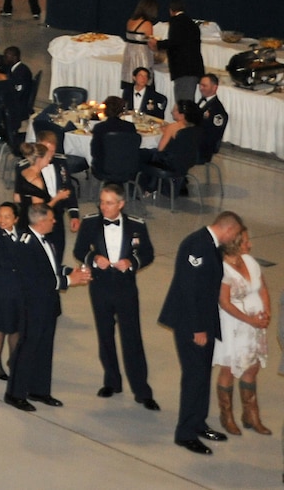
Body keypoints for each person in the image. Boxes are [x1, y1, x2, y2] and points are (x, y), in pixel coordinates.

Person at [161, 211, 244, 453]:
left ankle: (198, 422)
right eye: (236, 235)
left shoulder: (212, 245)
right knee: (194, 377)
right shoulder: (196, 244)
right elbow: (189, 289)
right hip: (190, 324)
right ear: (228, 230)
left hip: (205, 322)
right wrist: (197, 327)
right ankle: (185, 433)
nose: (235, 239)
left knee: (203, 375)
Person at [73, 183, 157, 409]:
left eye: (109, 203)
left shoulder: (137, 225)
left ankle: (142, 390)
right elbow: (79, 250)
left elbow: (148, 253)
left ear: (121, 204)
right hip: (100, 286)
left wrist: (131, 262)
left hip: (125, 287)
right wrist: (93, 258)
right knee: (105, 334)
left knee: (132, 337)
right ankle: (111, 381)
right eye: (101, 202)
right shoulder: (90, 222)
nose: (103, 207)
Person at [4, 204, 92, 411]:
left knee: (45, 347)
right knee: (27, 348)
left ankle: (39, 389)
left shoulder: (46, 241)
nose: (54, 221)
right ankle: (15, 393)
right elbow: (35, 280)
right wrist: (69, 281)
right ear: (41, 221)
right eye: (52, 218)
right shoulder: (25, 245)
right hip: (32, 305)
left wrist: (71, 272)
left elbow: (52, 268)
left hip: (47, 303)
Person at [214, 228, 271, 437]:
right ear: (234, 244)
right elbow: (225, 302)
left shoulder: (250, 262)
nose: (250, 244)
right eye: (246, 241)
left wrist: (266, 312)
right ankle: (226, 415)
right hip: (234, 326)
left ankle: (251, 414)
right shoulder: (222, 269)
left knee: (253, 366)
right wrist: (250, 320)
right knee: (229, 369)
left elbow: (262, 288)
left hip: (254, 326)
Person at [0, 202, 23, 383]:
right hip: (3, 288)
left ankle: (14, 360)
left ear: (16, 219)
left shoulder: (23, 234)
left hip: (20, 289)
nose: (2, 220)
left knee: (15, 327)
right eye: (0, 216)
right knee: (1, 326)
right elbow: (4, 260)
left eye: (7, 217)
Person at [163, 0, 205, 107]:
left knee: (184, 105)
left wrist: (157, 44)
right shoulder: (192, 24)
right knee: (186, 102)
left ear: (171, 11)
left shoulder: (176, 22)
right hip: (194, 68)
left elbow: (174, 42)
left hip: (183, 70)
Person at [122, 0, 159, 80]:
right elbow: (151, 43)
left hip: (129, 54)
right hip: (141, 55)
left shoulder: (130, 21)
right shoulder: (147, 24)